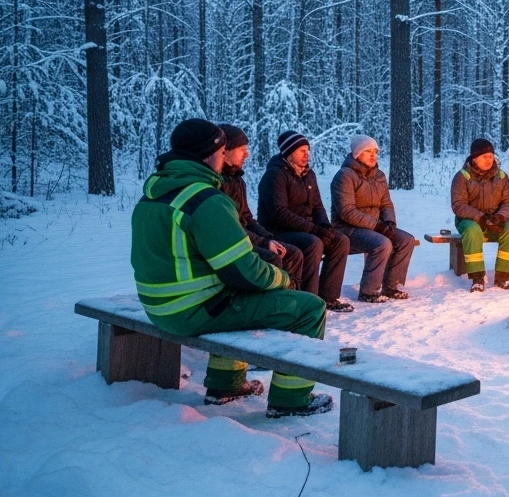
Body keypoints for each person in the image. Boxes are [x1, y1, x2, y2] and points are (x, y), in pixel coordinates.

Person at [131, 119, 332, 418]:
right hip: (191, 311)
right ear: (209, 154)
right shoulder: (206, 200)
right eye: (224, 150)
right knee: (310, 308)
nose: (228, 156)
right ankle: (291, 399)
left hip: (159, 307)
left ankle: (225, 385)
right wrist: (283, 279)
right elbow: (244, 271)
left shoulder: (154, 194)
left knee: (239, 296)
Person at [258, 131, 353, 313]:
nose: (307, 154)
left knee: (340, 240)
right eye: (302, 150)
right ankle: (308, 300)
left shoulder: (309, 175)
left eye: (307, 150)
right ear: (289, 152)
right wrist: (314, 230)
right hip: (277, 231)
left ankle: (328, 297)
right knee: (313, 243)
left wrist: (325, 227)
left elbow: (317, 206)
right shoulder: (275, 175)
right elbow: (279, 213)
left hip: (307, 228)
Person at [216, 124, 304, 288]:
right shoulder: (217, 184)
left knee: (293, 253)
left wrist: (269, 238)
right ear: (225, 152)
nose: (247, 154)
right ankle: (276, 304)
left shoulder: (237, 180)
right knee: (273, 257)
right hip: (234, 243)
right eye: (241, 149)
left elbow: (247, 218)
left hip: (248, 237)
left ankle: (295, 301)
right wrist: (264, 243)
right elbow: (230, 228)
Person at [331, 135, 417, 302]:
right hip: (347, 229)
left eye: (375, 152)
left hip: (376, 226)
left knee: (407, 240)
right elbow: (347, 212)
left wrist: (390, 223)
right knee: (382, 243)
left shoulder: (379, 176)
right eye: (367, 151)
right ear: (357, 154)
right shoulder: (344, 176)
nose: (373, 155)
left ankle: (392, 286)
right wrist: (378, 227)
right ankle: (368, 291)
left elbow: (386, 204)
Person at [450, 138, 509, 292]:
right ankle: (477, 277)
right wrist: (481, 218)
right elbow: (459, 205)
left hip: (496, 219)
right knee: (473, 231)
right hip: (468, 220)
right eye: (485, 157)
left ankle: (503, 275)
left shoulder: (501, 177)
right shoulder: (462, 176)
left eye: (491, 156)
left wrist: (500, 217)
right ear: (475, 158)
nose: (489, 160)